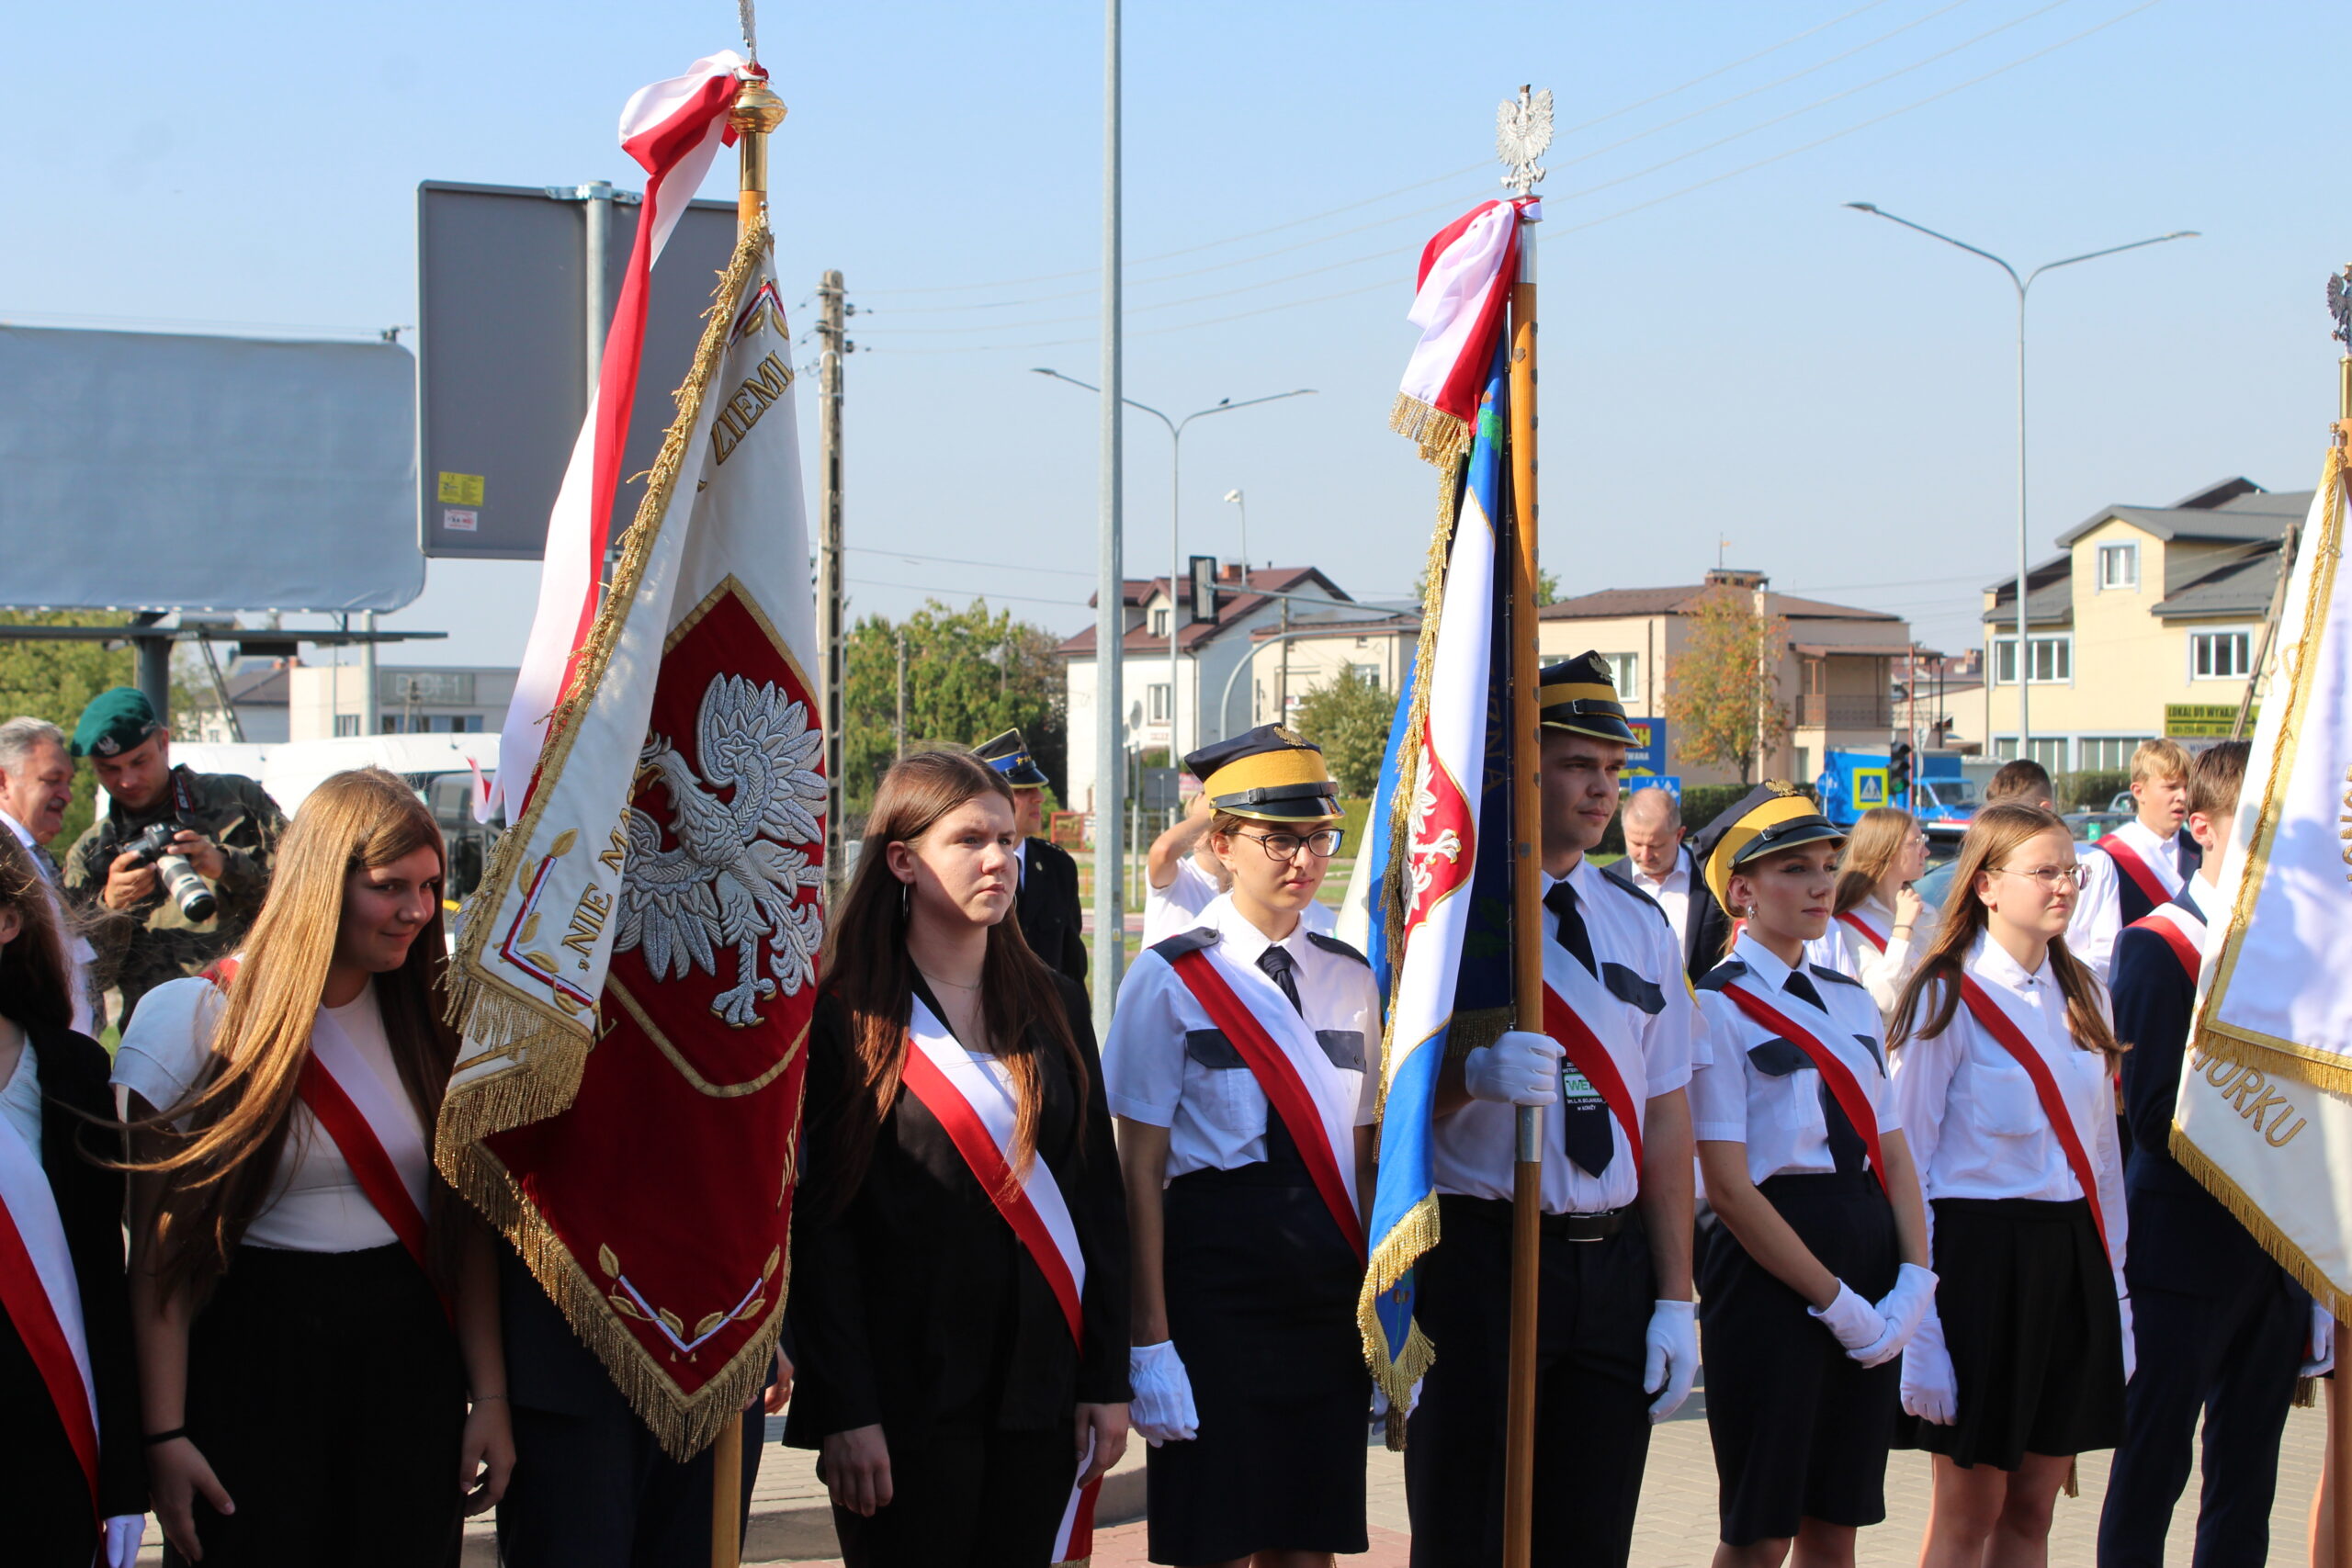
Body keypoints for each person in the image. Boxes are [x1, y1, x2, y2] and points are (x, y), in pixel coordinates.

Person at [114, 767, 511, 1566]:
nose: (417, 910)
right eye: (388, 886)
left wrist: (490, 1396)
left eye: (429, 885)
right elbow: (158, 1260)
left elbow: (463, 1231)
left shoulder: (437, 1022)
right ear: (321, 880)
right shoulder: (189, 1021)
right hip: (251, 1367)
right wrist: (163, 1433)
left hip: (410, 1372)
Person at [786, 750, 1130, 1566]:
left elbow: (1096, 1200)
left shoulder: (1056, 1001)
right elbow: (822, 1229)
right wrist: (845, 1408)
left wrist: (1105, 1379)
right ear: (902, 860)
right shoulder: (844, 1016)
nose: (999, 859)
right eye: (970, 839)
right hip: (903, 1405)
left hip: (1039, 1394)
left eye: (1006, 839)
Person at [1407, 652, 1702, 1568]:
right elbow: (1387, 1101)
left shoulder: (1638, 923)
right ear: (1517, 770)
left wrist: (1675, 1296)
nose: (1602, 787)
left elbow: (1666, 1114)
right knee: (1468, 1532)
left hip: (1611, 1264)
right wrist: (1471, 1074)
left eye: (1613, 767)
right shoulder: (1456, 923)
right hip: (1486, 1257)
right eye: (1577, 764)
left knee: (1591, 1537)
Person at [1104, 726, 1378, 1567]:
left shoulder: (1350, 975)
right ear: (1221, 843)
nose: (1305, 858)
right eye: (1279, 837)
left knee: (1309, 1543)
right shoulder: (1168, 976)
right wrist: (1150, 1339)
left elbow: (1362, 1156)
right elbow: (1138, 1170)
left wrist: (1383, 1312)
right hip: (1215, 1295)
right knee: (1215, 1541)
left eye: (1319, 837)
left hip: (1325, 1295)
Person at [1686, 785, 1934, 1568]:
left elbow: (1893, 1150)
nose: (1821, 883)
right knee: (1761, 1531)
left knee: (1836, 1524)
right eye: (1793, 869)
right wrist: (1835, 1300)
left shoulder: (1851, 1002)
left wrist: (1915, 1277)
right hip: (1771, 1269)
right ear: (1742, 891)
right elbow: (1729, 1186)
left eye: (1827, 865)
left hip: (1866, 1250)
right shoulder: (1715, 1008)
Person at [2097, 740, 2325, 1568]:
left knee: (2246, 1475)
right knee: (2154, 1463)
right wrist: (2276, 1152)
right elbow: (2154, 1110)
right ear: (2202, 827)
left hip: (2271, 1249)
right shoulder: (2158, 945)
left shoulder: (2292, 948)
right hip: (2183, 1250)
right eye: (2257, 827)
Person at [1887, 804, 2130, 1568]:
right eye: (2045, 871)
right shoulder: (1944, 995)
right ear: (1987, 884)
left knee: (2033, 1508)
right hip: (1978, 1266)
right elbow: (1907, 1164)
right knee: (1970, 1512)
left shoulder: (2086, 991)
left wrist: (2119, 1295)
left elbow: (2102, 1161)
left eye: (2071, 871)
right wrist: (1922, 1332)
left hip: (2070, 1257)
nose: (2065, 886)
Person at [0, 831, 146, 1567]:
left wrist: (123, 1474)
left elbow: (101, 1277)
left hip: (46, 1453)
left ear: (8, 920)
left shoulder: (71, 1072)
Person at [62, 688, 288, 1026]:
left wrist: (227, 866)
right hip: (157, 1033)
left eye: (139, 761)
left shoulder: (238, 801)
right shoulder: (92, 851)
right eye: (109, 769)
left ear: (163, 742)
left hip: (255, 1014)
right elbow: (86, 977)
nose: (127, 780)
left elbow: (308, 895)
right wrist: (111, 907)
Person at [0, 716, 99, 1033]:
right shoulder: (5, 861)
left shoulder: (31, 853)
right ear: (3, 781)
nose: (67, 795)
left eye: (68, 781)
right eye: (52, 780)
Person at [2072, 739, 2198, 982]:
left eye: (2186, 786)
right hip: (2136, 982)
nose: (2182, 796)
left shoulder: (2202, 849)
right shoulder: (2107, 857)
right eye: (2171, 787)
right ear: (2139, 791)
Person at [1146, 789, 1336, 946]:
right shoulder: (1180, 877)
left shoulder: (1255, 887)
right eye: (1204, 827)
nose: (1304, 860)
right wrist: (1214, 808)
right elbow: (1163, 851)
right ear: (1223, 846)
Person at [975, 728, 1088, 985]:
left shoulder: (1058, 866)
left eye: (1035, 787)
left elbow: (1073, 968)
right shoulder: (969, 867)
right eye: (1023, 790)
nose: (1040, 797)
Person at [1805, 807, 1934, 1021]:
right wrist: (1903, 929)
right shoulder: (1845, 925)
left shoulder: (1927, 913)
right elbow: (1884, 1000)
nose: (1926, 852)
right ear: (1887, 850)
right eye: (1916, 843)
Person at [1605, 784, 1731, 985]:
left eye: (1655, 846)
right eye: (1636, 844)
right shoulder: (1606, 883)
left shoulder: (1711, 879)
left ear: (1679, 835)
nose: (1645, 855)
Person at [1913, 760, 2054, 914]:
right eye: (1996, 818)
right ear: (1984, 886)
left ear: (2045, 810)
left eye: (2014, 821)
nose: (2001, 831)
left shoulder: (2077, 873)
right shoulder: (1980, 872)